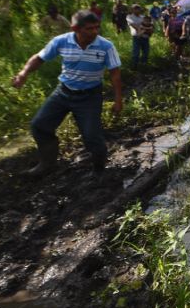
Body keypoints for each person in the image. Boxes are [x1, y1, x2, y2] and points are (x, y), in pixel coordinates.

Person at [12, 10, 122, 180]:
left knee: (92, 136)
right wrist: (23, 73)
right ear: (75, 28)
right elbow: (39, 58)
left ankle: (99, 170)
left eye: (96, 28)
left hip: (89, 97)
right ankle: (47, 163)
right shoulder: (61, 41)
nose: (95, 32)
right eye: (89, 29)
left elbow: (115, 73)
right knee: (39, 125)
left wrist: (118, 100)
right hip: (63, 93)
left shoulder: (106, 46)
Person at [126, 4, 149, 69]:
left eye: (138, 8)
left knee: (145, 52)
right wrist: (141, 29)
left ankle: (144, 66)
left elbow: (149, 24)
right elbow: (133, 25)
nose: (137, 10)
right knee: (136, 53)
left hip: (145, 36)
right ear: (132, 10)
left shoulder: (143, 17)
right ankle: (134, 67)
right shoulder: (129, 17)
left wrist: (146, 29)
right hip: (136, 36)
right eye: (135, 9)